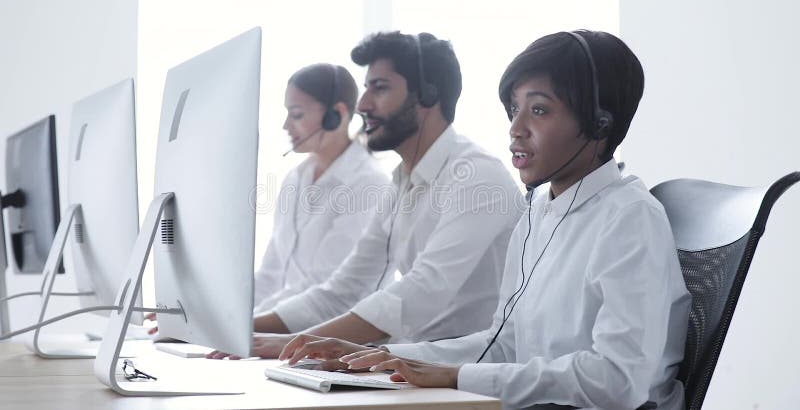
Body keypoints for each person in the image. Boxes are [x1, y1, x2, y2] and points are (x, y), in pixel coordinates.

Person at [277, 30, 691, 410]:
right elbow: (505, 344)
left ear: (600, 123)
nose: (516, 129)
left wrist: (455, 375)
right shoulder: (539, 214)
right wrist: (390, 358)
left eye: (539, 110)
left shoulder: (629, 219)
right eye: (514, 110)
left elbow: (619, 381)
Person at [208, 31, 523, 359]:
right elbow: (343, 290)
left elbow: (420, 292)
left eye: (380, 88)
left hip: (466, 373)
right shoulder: (400, 183)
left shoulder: (476, 176)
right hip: (408, 363)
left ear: (428, 95)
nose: (362, 105)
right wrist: (242, 330)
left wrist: (295, 342)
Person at [146, 63, 388, 333]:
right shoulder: (295, 179)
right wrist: (207, 314)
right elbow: (271, 276)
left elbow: (323, 291)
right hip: (282, 333)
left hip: (332, 344)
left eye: (296, 114)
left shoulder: (368, 186)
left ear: (337, 114)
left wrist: (233, 325)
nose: (286, 125)